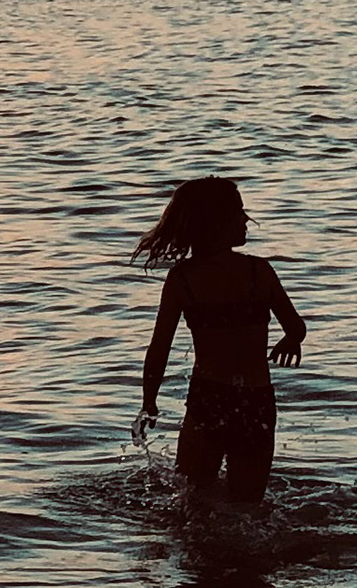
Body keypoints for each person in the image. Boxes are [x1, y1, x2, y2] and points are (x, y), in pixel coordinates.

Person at [130, 176, 307, 503]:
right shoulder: (259, 272)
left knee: (193, 502)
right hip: (257, 402)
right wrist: (290, 342)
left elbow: (159, 349)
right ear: (215, 222)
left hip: (208, 400)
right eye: (238, 212)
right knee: (248, 505)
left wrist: (149, 403)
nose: (245, 219)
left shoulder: (183, 279)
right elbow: (296, 327)